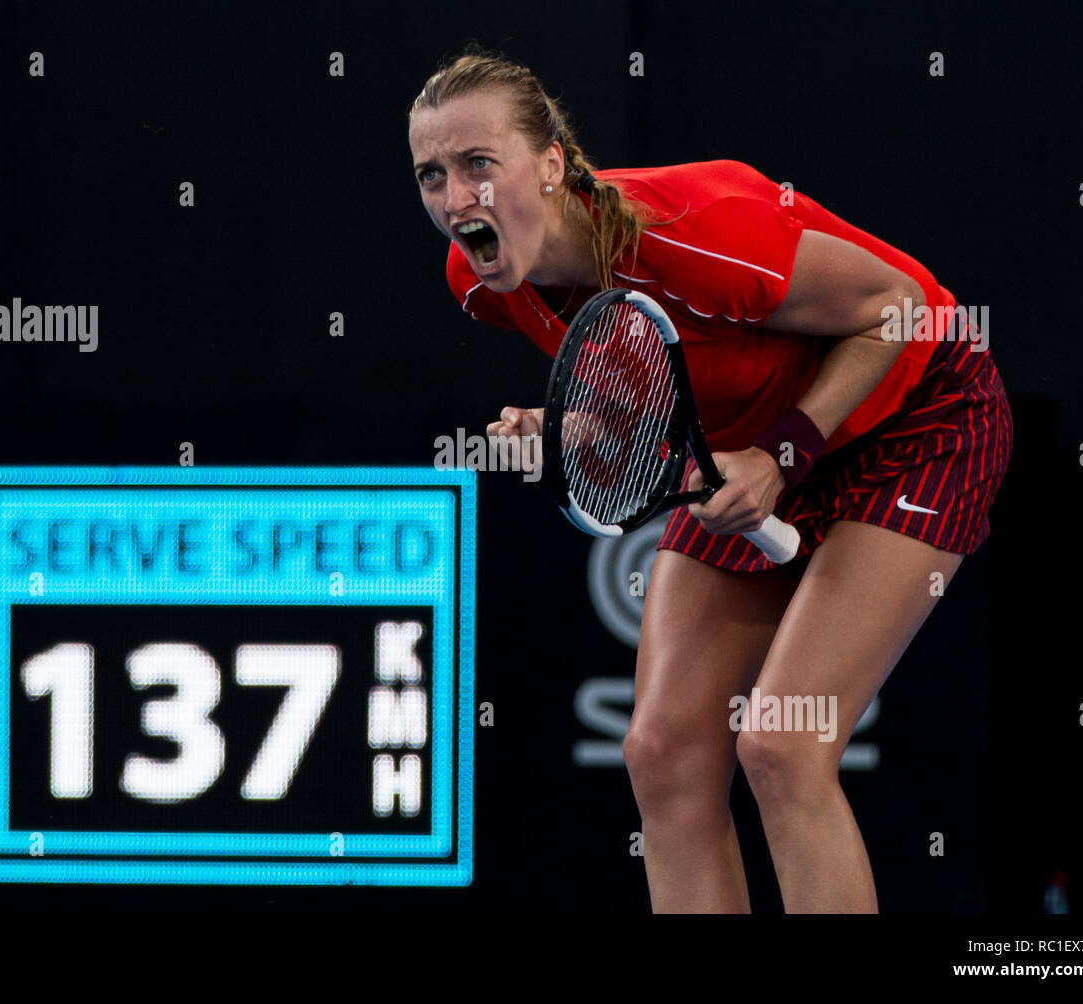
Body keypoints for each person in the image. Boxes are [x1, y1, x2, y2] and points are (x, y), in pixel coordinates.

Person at [408, 48, 1011, 913]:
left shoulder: (690, 233)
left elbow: (902, 307)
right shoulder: (482, 279)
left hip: (920, 411)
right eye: (432, 175)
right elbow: (662, 383)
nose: (455, 198)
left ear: (548, 164)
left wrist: (784, 453)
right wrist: (566, 428)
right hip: (749, 444)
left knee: (781, 746)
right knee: (661, 752)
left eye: (477, 165)